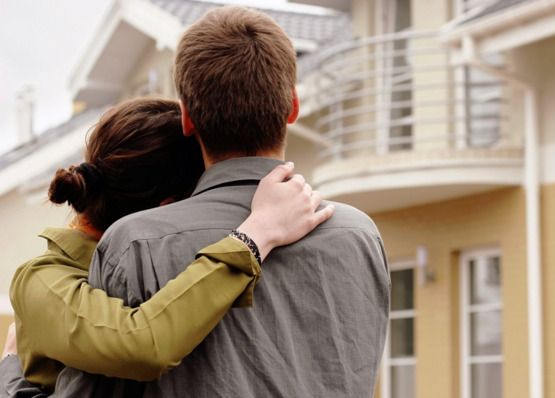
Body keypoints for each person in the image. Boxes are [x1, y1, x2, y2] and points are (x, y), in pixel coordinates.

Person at [53, 5, 390, 398]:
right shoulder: (358, 235)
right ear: (292, 107)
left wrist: (11, 374)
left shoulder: (135, 244)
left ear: (187, 119)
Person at [0, 98, 333, 396]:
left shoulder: (176, 263)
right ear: (167, 208)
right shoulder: (42, 280)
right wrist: (255, 235)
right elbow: (141, 344)